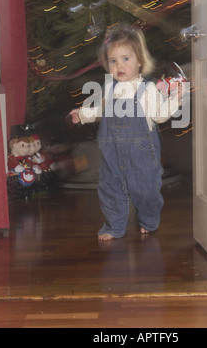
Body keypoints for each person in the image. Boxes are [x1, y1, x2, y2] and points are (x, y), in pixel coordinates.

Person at [69, 24, 186, 241]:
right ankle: (114, 225)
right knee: (109, 188)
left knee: (146, 190)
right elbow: (102, 111)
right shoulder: (111, 88)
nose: (118, 66)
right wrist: (83, 114)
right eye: (113, 61)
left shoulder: (147, 89)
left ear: (140, 60)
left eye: (125, 59)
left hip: (141, 152)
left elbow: (160, 116)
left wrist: (175, 99)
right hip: (112, 149)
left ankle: (149, 219)